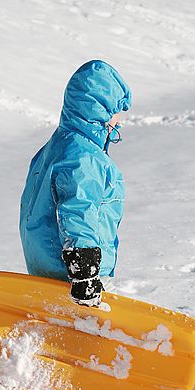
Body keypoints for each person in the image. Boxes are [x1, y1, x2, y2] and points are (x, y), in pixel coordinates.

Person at [19, 60, 131, 307]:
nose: (117, 122)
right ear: (99, 110)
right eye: (114, 113)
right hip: (71, 277)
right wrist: (85, 272)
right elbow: (78, 209)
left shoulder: (53, 148)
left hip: (43, 268)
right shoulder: (84, 157)